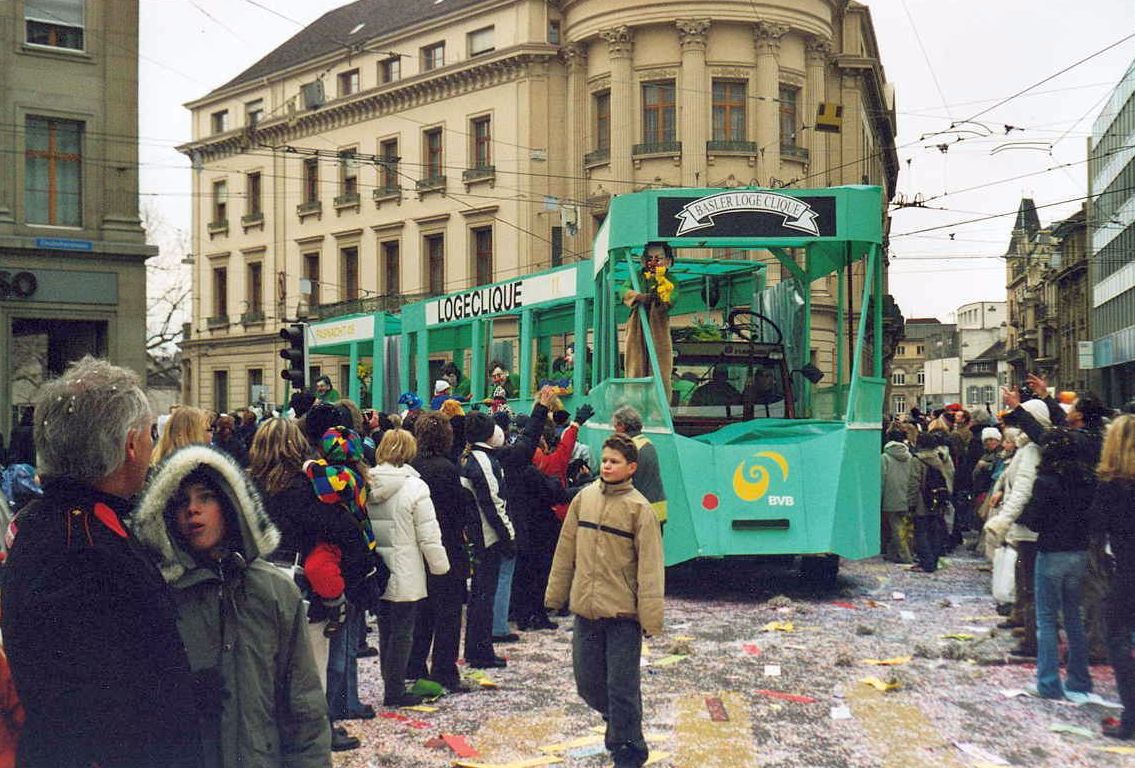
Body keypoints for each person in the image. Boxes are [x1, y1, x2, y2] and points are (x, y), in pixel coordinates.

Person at [0, 357, 201, 768]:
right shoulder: (85, 545)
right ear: (130, 445)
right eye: (149, 434)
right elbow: (95, 698)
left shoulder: (47, 523)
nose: (150, 445)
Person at [133, 444, 330, 766]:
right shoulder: (159, 595)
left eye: (205, 497)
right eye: (181, 501)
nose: (192, 510)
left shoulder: (274, 592)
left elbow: (304, 706)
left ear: (229, 503)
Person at [248, 418, 376, 752]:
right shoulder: (304, 487)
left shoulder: (245, 487)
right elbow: (342, 529)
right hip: (305, 588)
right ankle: (314, 735)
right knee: (311, 669)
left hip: (253, 590)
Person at [545, 433, 664, 768]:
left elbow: (651, 570)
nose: (607, 466)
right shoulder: (584, 499)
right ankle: (619, 721)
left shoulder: (640, 509)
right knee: (588, 683)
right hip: (586, 609)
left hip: (623, 612)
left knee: (622, 685)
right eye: (605, 460)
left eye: (614, 462)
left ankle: (630, 748)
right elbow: (565, 550)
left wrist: (651, 617)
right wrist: (556, 594)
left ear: (631, 468)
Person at [367, 429, 450, 706]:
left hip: (377, 566)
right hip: (405, 567)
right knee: (404, 630)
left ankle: (389, 682)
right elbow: (428, 532)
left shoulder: (367, 482)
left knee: (386, 627)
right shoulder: (415, 486)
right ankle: (394, 689)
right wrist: (440, 566)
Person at [1015, 431, 1094, 701]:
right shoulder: (1087, 479)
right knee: (1074, 617)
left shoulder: (1046, 481)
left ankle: (1049, 683)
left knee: (1047, 620)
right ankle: (1079, 679)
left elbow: (1034, 520)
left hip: (1051, 551)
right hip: (1079, 550)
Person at [409, 412, 478, 692]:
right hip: (447, 547)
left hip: (417, 549)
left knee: (422, 612)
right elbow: (457, 511)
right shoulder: (447, 469)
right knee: (448, 615)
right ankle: (444, 670)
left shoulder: (413, 466)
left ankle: (414, 664)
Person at [984, 396, 1048, 658]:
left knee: (1030, 583)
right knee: (1024, 579)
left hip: (1027, 526)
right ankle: (1022, 621)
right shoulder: (1026, 448)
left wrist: (1003, 520)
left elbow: (1022, 490)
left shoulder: (1032, 450)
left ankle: (1032, 639)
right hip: (1023, 526)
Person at [1092, 414, 1135, 739]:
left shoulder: (1111, 487)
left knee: (1117, 636)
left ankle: (1132, 715)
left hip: (1127, 570)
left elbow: (1096, 527)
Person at [621, 242, 676, 403]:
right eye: (650, 258)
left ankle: (660, 410)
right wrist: (638, 297)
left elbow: (673, 297)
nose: (654, 262)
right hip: (637, 325)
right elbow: (623, 291)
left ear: (668, 261)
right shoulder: (636, 276)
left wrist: (662, 298)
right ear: (644, 260)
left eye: (658, 258)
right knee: (635, 365)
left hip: (659, 325)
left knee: (660, 367)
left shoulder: (669, 279)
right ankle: (634, 406)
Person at [612, 406, 667, 530]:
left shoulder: (628, 448)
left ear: (622, 426)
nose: (614, 431)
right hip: (657, 509)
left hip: (640, 511)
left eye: (615, 426)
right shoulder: (646, 443)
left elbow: (617, 481)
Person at [909, 431, 951, 573]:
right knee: (934, 531)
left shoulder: (917, 460)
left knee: (921, 533)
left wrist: (911, 503)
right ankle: (933, 560)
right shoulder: (938, 457)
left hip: (922, 501)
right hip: (937, 500)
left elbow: (914, 483)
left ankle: (925, 563)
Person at [880, 428, 915, 564]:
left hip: (891, 495)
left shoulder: (885, 457)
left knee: (896, 528)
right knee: (906, 526)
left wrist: (880, 498)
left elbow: (881, 479)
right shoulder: (909, 456)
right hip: (906, 494)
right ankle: (893, 553)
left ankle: (905, 556)